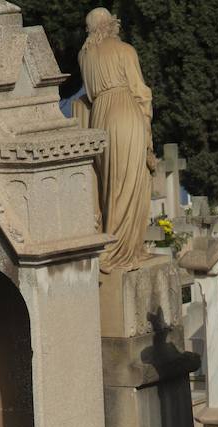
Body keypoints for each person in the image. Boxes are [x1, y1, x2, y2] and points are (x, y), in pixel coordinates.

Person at [78, 6, 154, 271]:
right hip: (125, 114)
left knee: (110, 183)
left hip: (99, 115)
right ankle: (120, 249)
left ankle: (123, 244)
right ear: (112, 24)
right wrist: (147, 131)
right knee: (129, 182)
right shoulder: (125, 51)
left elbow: (88, 93)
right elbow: (141, 92)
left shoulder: (84, 55)